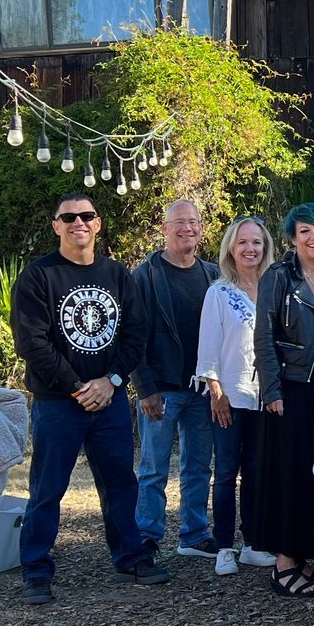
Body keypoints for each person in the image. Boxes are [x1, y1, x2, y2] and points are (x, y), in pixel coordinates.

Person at [11, 193, 159, 605]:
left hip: (109, 399)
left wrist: (110, 381)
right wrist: (79, 386)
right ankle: (36, 569)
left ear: (97, 224)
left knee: (120, 483)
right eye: (69, 216)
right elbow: (32, 342)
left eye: (87, 215)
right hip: (59, 403)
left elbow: (135, 334)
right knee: (47, 488)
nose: (79, 222)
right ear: (56, 225)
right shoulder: (39, 276)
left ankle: (131, 556)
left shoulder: (117, 275)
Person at [254, 202, 314, 597]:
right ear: (292, 238)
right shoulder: (278, 277)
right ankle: (284, 564)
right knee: (289, 473)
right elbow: (263, 336)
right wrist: (272, 390)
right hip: (292, 387)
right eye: (305, 231)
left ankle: (305, 555)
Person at [129, 200, 221, 562]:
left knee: (199, 465)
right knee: (153, 467)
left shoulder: (213, 274)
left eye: (194, 222)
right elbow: (133, 337)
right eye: (179, 223)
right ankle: (147, 536)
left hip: (202, 388)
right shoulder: (146, 275)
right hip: (161, 389)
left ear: (201, 228)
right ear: (164, 228)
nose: (187, 229)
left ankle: (194, 534)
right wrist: (145, 389)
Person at [197, 215, 276, 575]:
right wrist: (216, 392)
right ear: (231, 246)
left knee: (258, 472)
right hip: (230, 396)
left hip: (267, 397)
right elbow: (209, 348)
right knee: (226, 472)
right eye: (243, 242)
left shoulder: (276, 289)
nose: (250, 249)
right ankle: (225, 546)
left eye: (257, 242)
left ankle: (254, 543)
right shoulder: (220, 292)